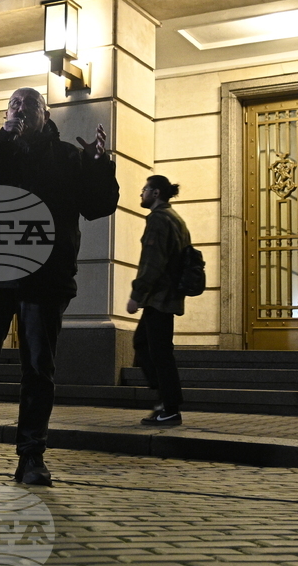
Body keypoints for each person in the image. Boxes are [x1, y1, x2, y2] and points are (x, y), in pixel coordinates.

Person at [0, 87, 119, 485]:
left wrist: (98, 166)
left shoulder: (68, 158)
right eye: (13, 105)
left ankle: (31, 457)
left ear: (47, 115)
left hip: (45, 278)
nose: (20, 109)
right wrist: (2, 138)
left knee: (39, 370)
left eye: (30, 105)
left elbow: (98, 206)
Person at [126, 176, 190, 427]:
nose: (141, 193)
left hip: (160, 297)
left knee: (159, 353)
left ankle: (170, 406)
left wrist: (136, 295)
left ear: (155, 193)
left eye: (144, 189)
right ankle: (165, 399)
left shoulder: (159, 219)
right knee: (144, 344)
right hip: (166, 296)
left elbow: (152, 261)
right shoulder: (175, 218)